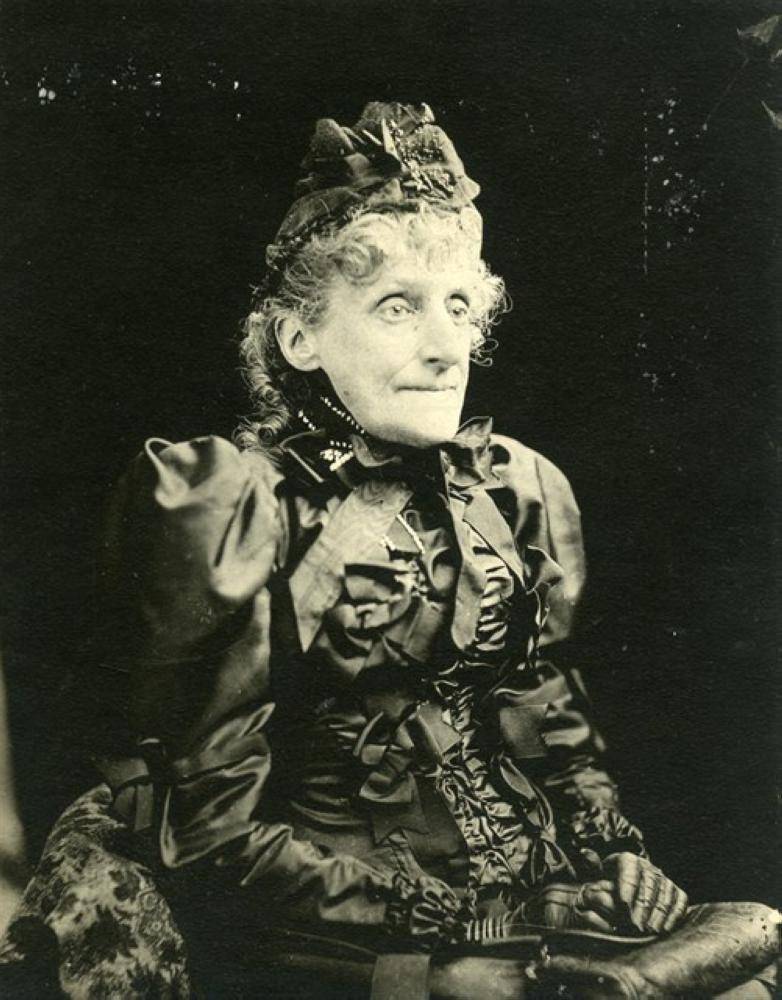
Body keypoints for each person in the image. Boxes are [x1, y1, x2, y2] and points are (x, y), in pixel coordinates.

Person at [59, 103, 782, 997]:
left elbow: (544, 700)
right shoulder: (235, 505)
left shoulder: (513, 487)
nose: (446, 349)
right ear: (300, 339)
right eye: (397, 307)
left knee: (753, 956)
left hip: (535, 897)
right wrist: (448, 932)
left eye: (459, 307)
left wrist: (609, 850)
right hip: (332, 929)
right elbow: (211, 834)